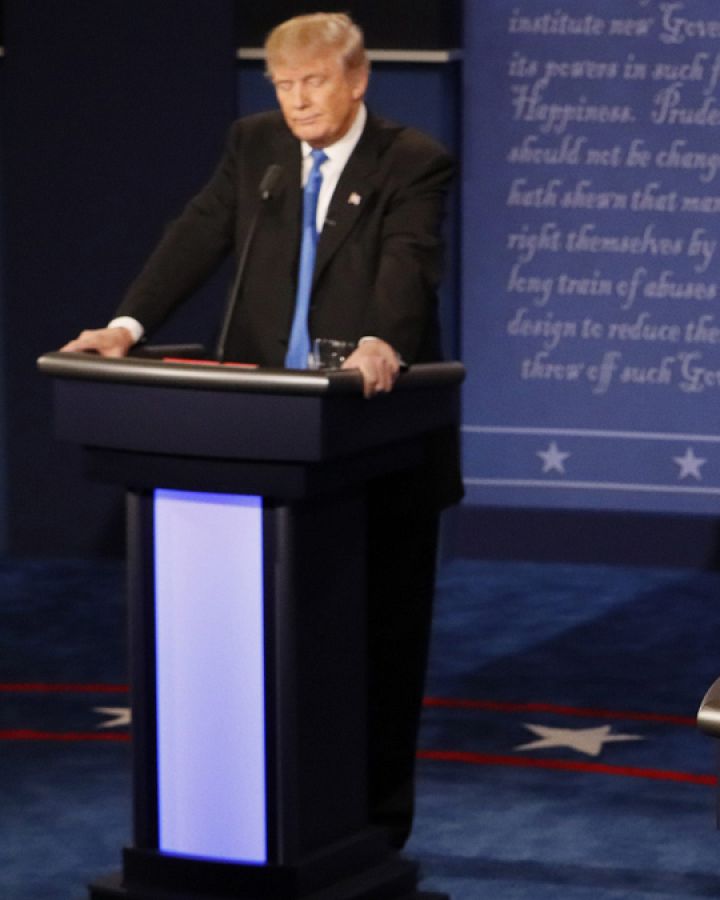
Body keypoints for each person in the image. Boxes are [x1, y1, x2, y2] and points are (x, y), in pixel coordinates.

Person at [61, 12, 458, 849]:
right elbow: (198, 236)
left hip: (372, 440)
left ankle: (373, 837)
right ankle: (256, 824)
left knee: (377, 647)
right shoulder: (255, 151)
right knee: (263, 653)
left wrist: (386, 337)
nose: (297, 101)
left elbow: (410, 261)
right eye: (283, 84)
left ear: (356, 80)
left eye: (313, 82)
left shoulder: (410, 160)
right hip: (259, 436)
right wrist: (126, 326)